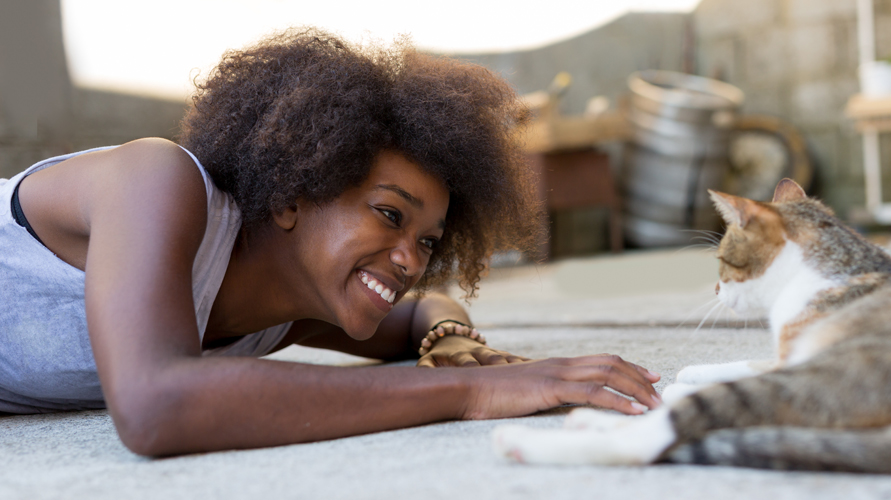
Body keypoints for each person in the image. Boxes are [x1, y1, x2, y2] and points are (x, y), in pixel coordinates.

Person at [0, 28, 661, 456]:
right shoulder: (157, 182)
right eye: (388, 214)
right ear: (294, 193)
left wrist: (450, 341)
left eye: (429, 241)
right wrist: (471, 394)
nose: (409, 260)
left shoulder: (290, 312)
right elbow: (154, 406)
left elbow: (419, 317)